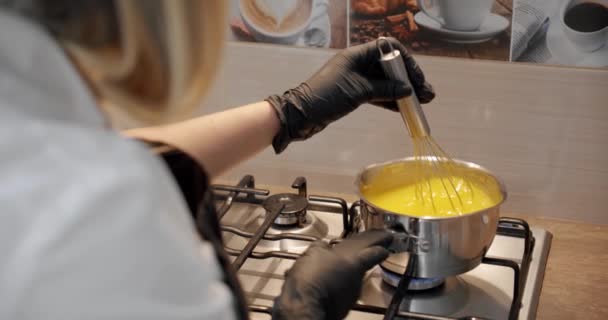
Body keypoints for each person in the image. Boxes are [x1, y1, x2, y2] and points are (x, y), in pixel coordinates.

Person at [0, 1, 435, 320]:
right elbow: (86, 179)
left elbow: (88, 160)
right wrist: (304, 313)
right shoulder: (97, 218)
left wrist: (288, 112)